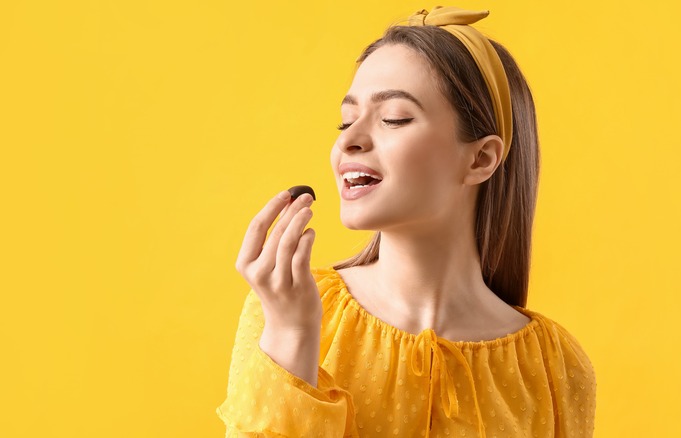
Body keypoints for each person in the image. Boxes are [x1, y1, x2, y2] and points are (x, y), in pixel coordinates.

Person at [216, 6, 597, 437]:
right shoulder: (287, 311)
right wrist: (292, 337)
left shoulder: (554, 367)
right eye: (345, 120)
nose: (348, 140)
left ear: (481, 158)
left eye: (393, 118)